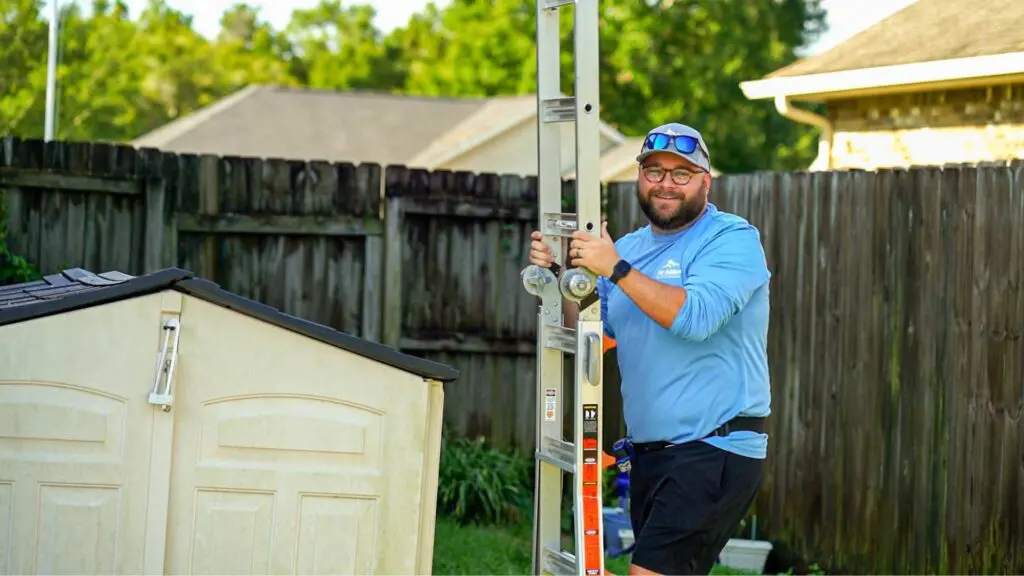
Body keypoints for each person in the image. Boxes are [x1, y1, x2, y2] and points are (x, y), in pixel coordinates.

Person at [528, 122, 772, 575]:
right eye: (654, 170)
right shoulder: (631, 248)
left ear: (705, 180)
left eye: (681, 173)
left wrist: (613, 267)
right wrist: (564, 272)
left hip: (714, 448)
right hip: (652, 455)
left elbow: (694, 318)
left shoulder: (732, 239)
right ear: (639, 178)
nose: (666, 183)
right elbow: (592, 327)